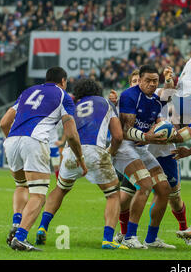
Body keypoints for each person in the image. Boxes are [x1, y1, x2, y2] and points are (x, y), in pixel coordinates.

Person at [0, 66, 86, 251]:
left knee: (21, 185)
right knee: (38, 194)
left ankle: (17, 222)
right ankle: (21, 237)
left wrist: (13, 141)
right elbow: (71, 134)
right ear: (63, 81)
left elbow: (4, 122)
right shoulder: (63, 96)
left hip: (12, 140)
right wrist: (80, 157)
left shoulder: (28, 91)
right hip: (35, 140)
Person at [34, 78, 127, 250]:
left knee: (60, 189)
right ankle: (108, 240)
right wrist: (111, 152)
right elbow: (118, 136)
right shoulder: (106, 103)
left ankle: (42, 227)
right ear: (98, 91)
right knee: (113, 195)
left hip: (71, 151)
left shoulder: (73, 106)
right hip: (95, 152)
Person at [113, 64, 174, 249]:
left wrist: (163, 132)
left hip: (140, 147)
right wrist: (147, 137)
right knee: (145, 185)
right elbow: (124, 131)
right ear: (139, 80)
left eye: (155, 81)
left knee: (164, 189)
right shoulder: (129, 96)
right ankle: (129, 237)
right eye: (147, 80)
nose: (151, 84)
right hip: (123, 147)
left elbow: (168, 96)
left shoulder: (155, 101)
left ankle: (151, 239)